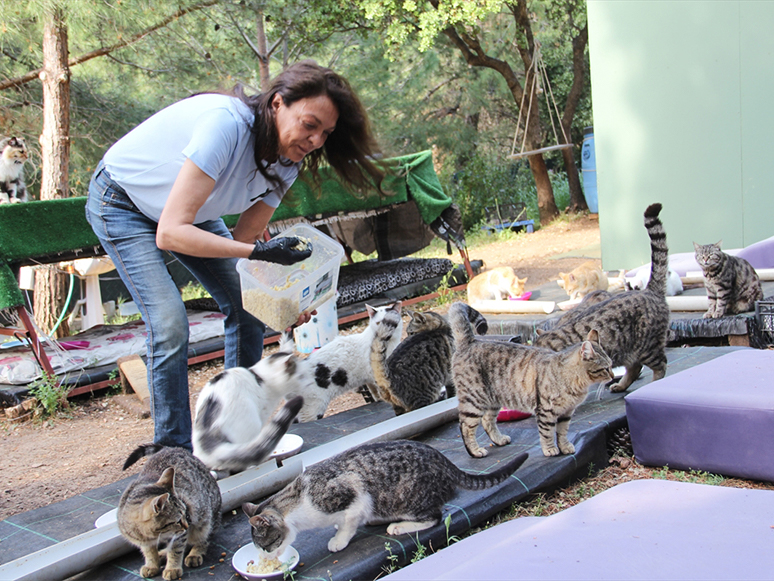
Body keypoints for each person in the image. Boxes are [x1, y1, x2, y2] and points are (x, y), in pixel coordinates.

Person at [86, 60, 385, 450]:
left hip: (193, 213)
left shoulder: (289, 161)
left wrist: (285, 303)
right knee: (170, 322)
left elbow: (246, 253)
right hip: (123, 203)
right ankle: (172, 451)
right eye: (309, 125)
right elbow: (172, 233)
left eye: (325, 134)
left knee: (248, 308)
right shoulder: (226, 125)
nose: (315, 141)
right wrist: (258, 252)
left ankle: (233, 429)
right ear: (278, 103)